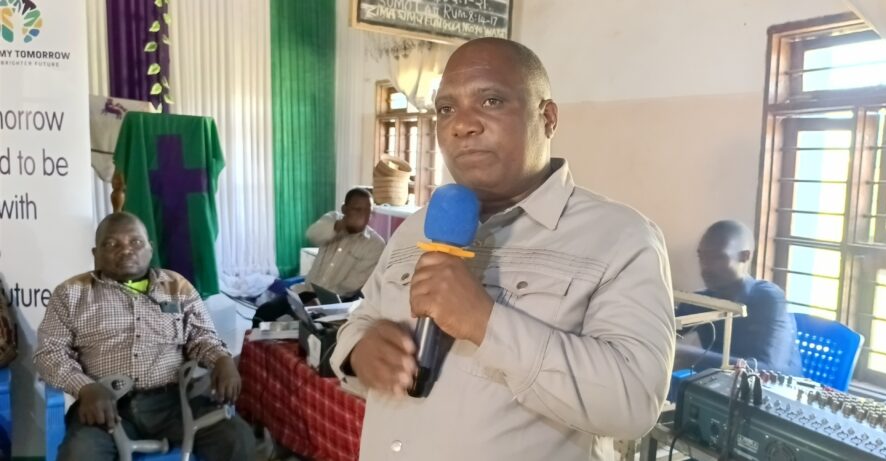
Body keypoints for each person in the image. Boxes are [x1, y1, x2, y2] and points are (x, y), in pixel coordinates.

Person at [329, 38, 675, 461]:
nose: (462, 125)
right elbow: (361, 319)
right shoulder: (417, 226)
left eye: (491, 101)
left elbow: (634, 402)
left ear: (547, 118)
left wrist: (484, 322)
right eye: (446, 109)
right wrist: (359, 351)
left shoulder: (620, 237)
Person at [35, 212, 255, 461]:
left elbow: (201, 337)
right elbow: (50, 353)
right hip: (106, 406)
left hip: (175, 404)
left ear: (150, 249)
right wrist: (85, 388)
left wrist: (222, 360)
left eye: (136, 242)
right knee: (80, 454)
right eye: (112, 244)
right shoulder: (71, 294)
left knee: (237, 439)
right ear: (96, 253)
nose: (126, 250)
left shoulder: (177, 286)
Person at [675, 220, 803, 376]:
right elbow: (663, 328)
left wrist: (687, 355)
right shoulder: (703, 301)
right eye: (702, 257)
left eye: (718, 257)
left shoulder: (768, 299)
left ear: (744, 256)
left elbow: (771, 371)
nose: (706, 267)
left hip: (771, 389)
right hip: (722, 386)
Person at [252, 187, 385, 327]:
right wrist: (341, 225)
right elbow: (312, 235)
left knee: (302, 329)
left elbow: (350, 287)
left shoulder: (375, 244)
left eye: (368, 211)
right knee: (263, 314)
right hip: (304, 291)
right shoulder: (332, 219)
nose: (363, 216)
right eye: (357, 210)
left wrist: (316, 303)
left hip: (337, 304)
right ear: (344, 209)